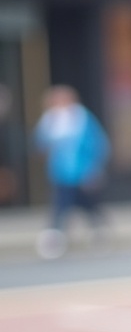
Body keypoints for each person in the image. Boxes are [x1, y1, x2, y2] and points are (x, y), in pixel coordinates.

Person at [33, 85, 110, 258]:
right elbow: (40, 144)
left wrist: (93, 169)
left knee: (88, 205)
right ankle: (55, 239)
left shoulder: (83, 119)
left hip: (82, 173)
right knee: (60, 207)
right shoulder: (49, 121)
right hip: (61, 174)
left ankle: (99, 232)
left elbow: (98, 144)